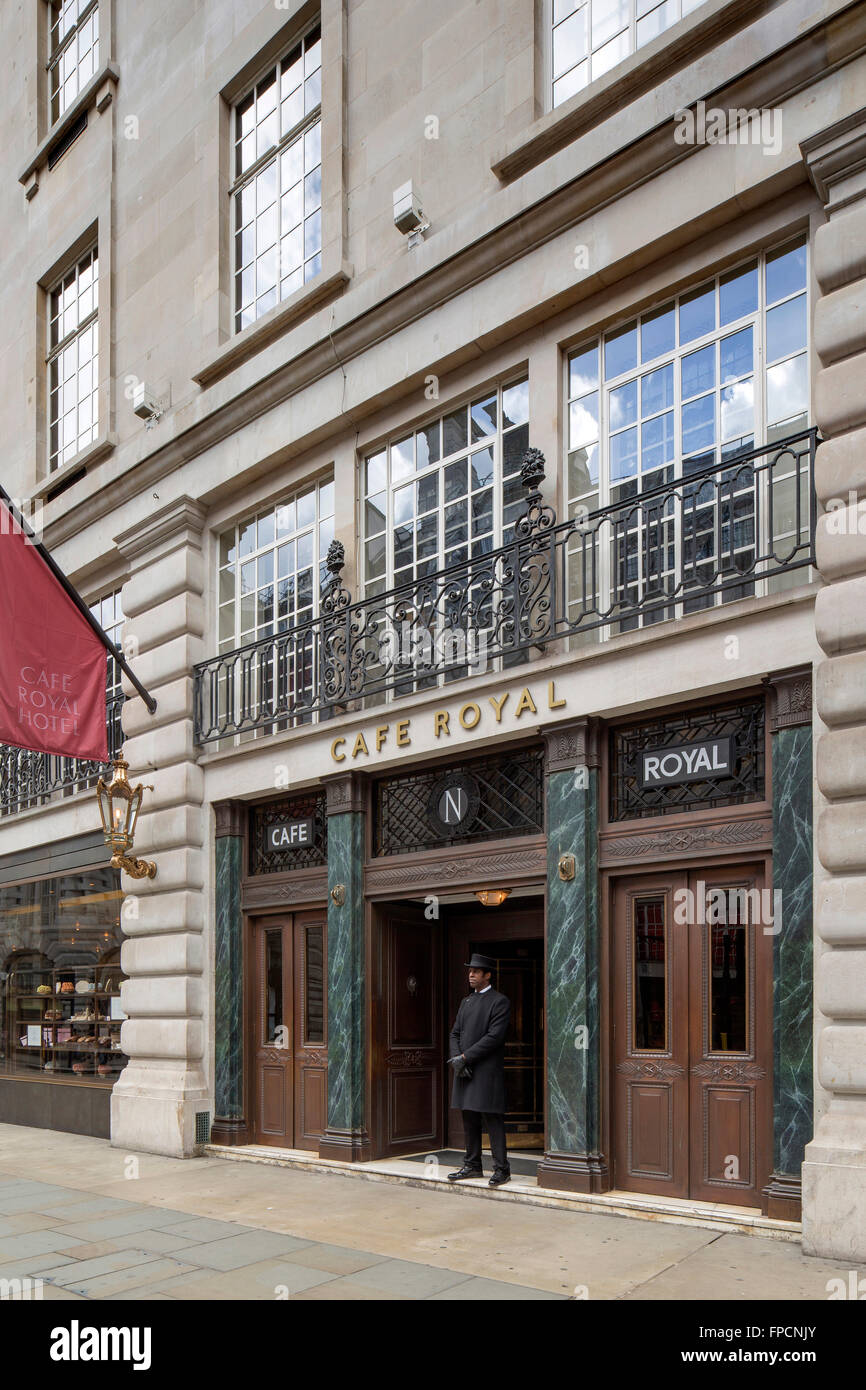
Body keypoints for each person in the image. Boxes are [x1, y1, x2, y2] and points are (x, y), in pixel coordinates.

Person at [446, 952, 511, 1187]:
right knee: (469, 1117)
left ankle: (502, 1169)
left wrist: (465, 1057)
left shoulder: (499, 1001)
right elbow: (454, 1033)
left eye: (475, 971)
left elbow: (494, 1037)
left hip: (486, 1071)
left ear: (487, 975)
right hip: (464, 1069)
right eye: (469, 971)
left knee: (492, 1119)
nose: (470, 975)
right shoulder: (466, 1002)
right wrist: (456, 1058)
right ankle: (472, 1165)